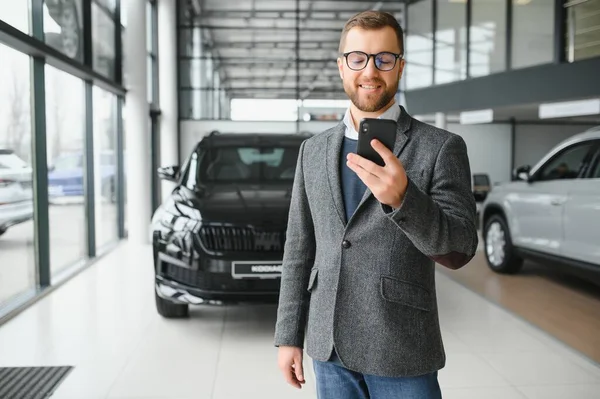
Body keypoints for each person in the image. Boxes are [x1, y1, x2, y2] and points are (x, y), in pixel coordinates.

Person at [274, 10, 478, 399]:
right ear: (341, 66)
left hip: (400, 345)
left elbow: (462, 247)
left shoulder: (440, 147)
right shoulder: (312, 151)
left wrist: (405, 200)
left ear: (400, 66)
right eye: (358, 58)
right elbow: (299, 249)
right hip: (328, 344)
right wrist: (288, 336)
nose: (370, 71)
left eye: (384, 58)